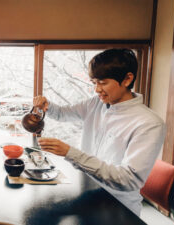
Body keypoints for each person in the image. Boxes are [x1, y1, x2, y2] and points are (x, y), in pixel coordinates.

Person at [34, 48, 165, 216]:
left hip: (117, 206)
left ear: (127, 79)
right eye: (94, 82)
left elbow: (128, 180)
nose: (96, 89)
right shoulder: (95, 104)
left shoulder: (149, 123)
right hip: (87, 192)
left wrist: (70, 153)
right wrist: (47, 105)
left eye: (102, 83)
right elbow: (62, 113)